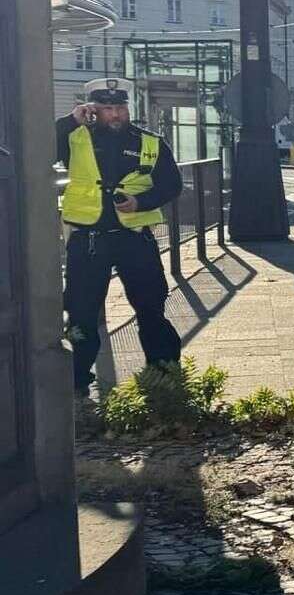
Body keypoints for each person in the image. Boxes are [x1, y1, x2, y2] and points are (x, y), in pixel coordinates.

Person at [57, 79, 184, 396]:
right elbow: (35, 148)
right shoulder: (74, 138)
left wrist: (141, 202)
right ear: (93, 110)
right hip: (88, 238)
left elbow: (171, 184)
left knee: (151, 308)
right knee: (82, 314)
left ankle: (164, 374)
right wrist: (71, 119)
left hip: (134, 238)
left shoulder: (150, 143)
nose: (115, 114)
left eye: (120, 108)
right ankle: (76, 382)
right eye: (107, 108)